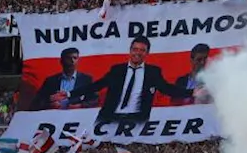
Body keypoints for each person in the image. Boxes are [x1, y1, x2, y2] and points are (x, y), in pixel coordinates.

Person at [65, 36, 200, 122]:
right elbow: (96, 85)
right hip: (109, 117)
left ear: (147, 53)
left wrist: (190, 92)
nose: (137, 53)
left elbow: (167, 89)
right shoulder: (117, 70)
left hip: (137, 119)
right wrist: (70, 94)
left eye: (142, 50)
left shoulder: (153, 72)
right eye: (135, 49)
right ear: (130, 50)